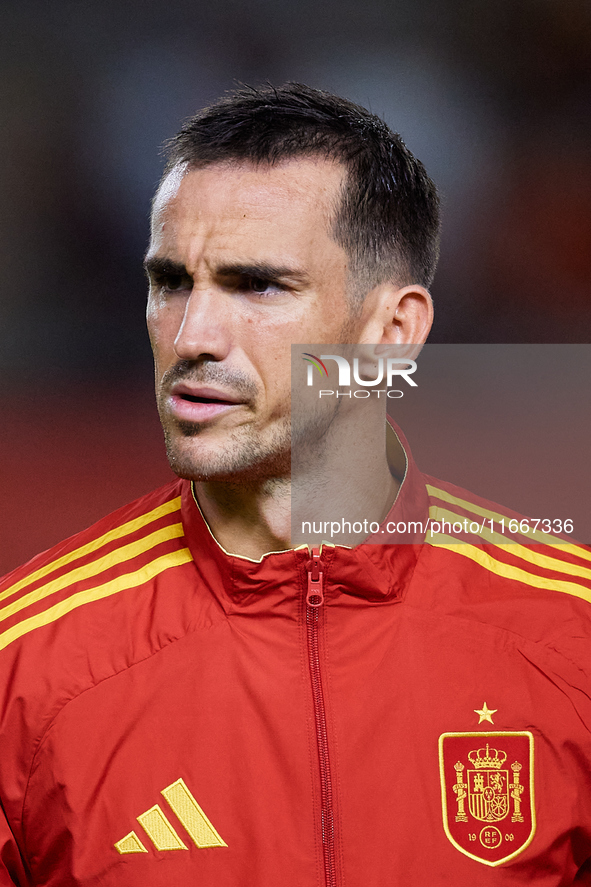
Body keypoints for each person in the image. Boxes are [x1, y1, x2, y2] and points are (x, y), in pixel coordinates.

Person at [0, 83, 590, 886]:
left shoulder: (569, 636)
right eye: (171, 281)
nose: (192, 335)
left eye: (258, 285)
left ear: (390, 332)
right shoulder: (25, 666)